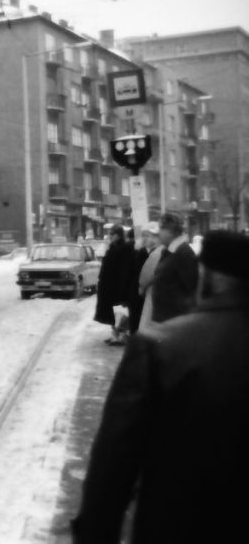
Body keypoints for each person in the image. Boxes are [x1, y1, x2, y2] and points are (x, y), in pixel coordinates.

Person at [71, 230, 249, 543]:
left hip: (178, 524)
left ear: (208, 276)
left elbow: (116, 458)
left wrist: (96, 530)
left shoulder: (160, 348)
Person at [144, 212, 198, 326]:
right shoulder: (168, 251)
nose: (158, 233)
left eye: (161, 229)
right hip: (165, 319)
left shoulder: (184, 253)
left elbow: (191, 287)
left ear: (170, 231)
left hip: (175, 320)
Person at [94, 224, 136, 345]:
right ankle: (114, 334)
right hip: (109, 287)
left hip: (117, 287)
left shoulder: (124, 249)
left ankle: (121, 336)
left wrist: (123, 288)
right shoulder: (113, 247)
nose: (109, 236)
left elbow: (124, 270)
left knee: (120, 313)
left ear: (118, 235)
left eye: (111, 234)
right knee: (112, 313)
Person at [127, 222, 160, 334]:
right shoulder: (139, 252)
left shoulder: (158, 253)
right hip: (136, 296)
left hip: (149, 297)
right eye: (143, 236)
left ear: (156, 237)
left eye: (148, 236)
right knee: (135, 325)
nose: (145, 239)